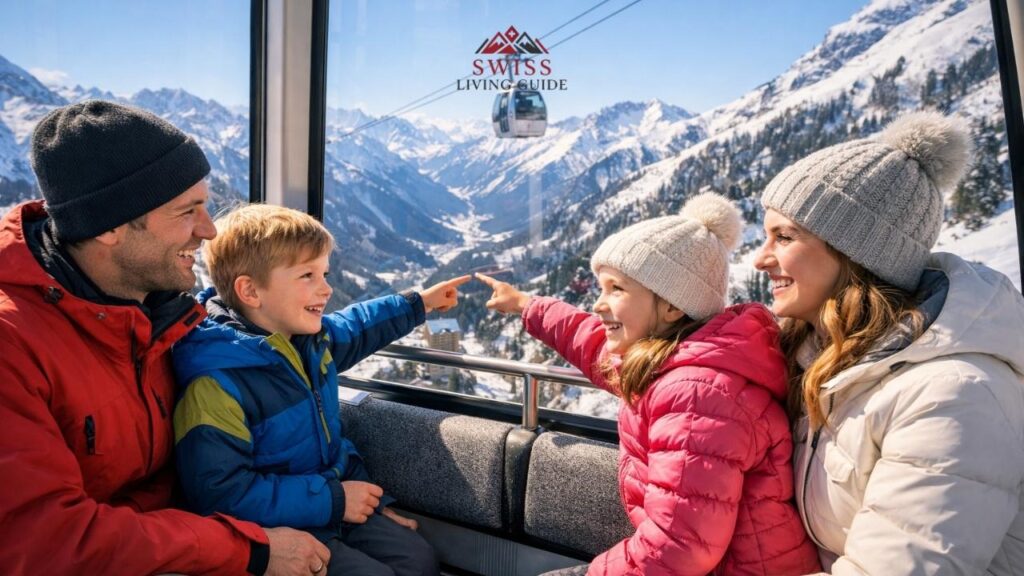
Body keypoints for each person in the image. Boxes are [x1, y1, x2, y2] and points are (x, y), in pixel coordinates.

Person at [0, 100, 330, 575]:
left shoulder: (162, 314)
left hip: (176, 538)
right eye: (186, 211)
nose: (209, 230)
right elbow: (49, 541)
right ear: (109, 226)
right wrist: (247, 550)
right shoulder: (15, 344)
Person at [478, 193, 820, 575]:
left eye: (616, 289)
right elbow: (591, 341)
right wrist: (527, 305)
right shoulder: (672, 357)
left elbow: (679, 547)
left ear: (672, 306)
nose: (599, 304)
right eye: (601, 288)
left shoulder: (697, 393)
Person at [755, 110, 1024, 574]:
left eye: (784, 236)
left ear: (855, 252)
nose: (761, 260)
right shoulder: (823, 357)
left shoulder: (953, 395)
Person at [172, 204, 468, 576]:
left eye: (325, 273)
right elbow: (220, 494)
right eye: (308, 275)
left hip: (330, 500)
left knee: (418, 558)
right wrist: (333, 500)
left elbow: (359, 326)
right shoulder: (217, 383)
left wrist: (419, 304)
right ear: (250, 290)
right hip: (275, 525)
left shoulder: (309, 342)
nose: (326, 288)